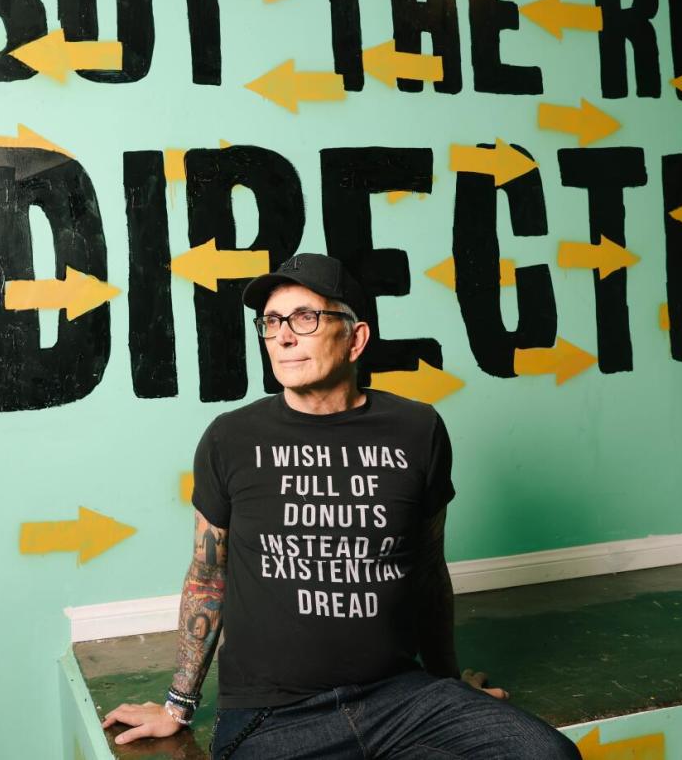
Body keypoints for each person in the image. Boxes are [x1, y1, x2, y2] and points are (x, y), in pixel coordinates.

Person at [102, 254, 580, 759]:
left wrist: (446, 683)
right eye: (271, 322)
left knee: (547, 754)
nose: (283, 336)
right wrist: (178, 704)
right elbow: (207, 575)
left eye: (305, 318)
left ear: (356, 339)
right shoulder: (231, 438)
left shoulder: (418, 430)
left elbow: (427, 568)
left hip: (399, 697)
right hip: (275, 716)